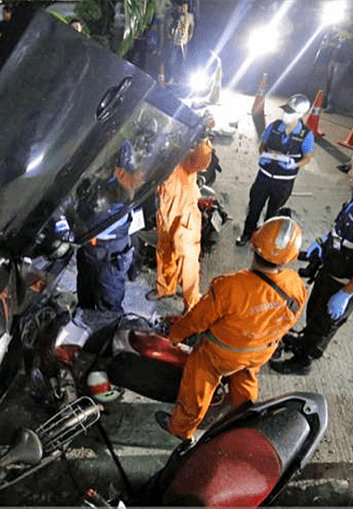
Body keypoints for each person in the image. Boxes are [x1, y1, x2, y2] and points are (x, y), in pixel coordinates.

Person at [155, 216, 308, 441]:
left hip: (218, 355)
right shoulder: (296, 285)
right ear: (291, 257)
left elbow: (197, 320)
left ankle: (180, 430)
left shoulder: (229, 286)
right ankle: (243, 423)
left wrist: (175, 336)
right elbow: (289, 320)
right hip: (259, 352)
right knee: (245, 381)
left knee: (197, 389)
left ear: (254, 244)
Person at [270, 145, 353, 376]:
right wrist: (324, 243)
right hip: (331, 269)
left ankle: (303, 361)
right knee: (316, 312)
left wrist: (346, 293)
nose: (351, 172)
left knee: (325, 324)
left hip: (345, 280)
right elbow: (345, 225)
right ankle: (303, 340)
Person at [236, 94, 314, 246]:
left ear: (300, 114)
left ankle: (264, 240)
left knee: (272, 214)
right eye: (286, 110)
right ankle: (246, 235)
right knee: (254, 208)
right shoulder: (274, 126)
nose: (285, 114)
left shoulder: (306, 134)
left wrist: (294, 164)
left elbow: (308, 157)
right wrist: (263, 154)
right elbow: (263, 145)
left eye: (290, 112)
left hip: (283, 183)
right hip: (263, 178)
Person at [146, 138, 212, 313]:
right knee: (165, 251)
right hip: (165, 214)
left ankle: (191, 304)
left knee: (188, 262)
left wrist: (202, 140)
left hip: (186, 217)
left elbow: (201, 160)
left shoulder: (187, 157)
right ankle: (165, 288)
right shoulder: (163, 153)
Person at [76, 141, 143, 313]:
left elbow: (134, 226)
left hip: (111, 254)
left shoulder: (128, 185)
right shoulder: (93, 182)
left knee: (109, 305)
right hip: (89, 248)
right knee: (85, 296)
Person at [167, 1, 194, 83]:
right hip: (175, 41)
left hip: (184, 42)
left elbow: (191, 29)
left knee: (182, 60)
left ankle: (180, 77)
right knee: (172, 60)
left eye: (185, 8)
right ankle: (172, 76)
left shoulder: (189, 17)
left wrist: (188, 38)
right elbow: (169, 26)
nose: (183, 9)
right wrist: (170, 36)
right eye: (182, 7)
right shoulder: (175, 15)